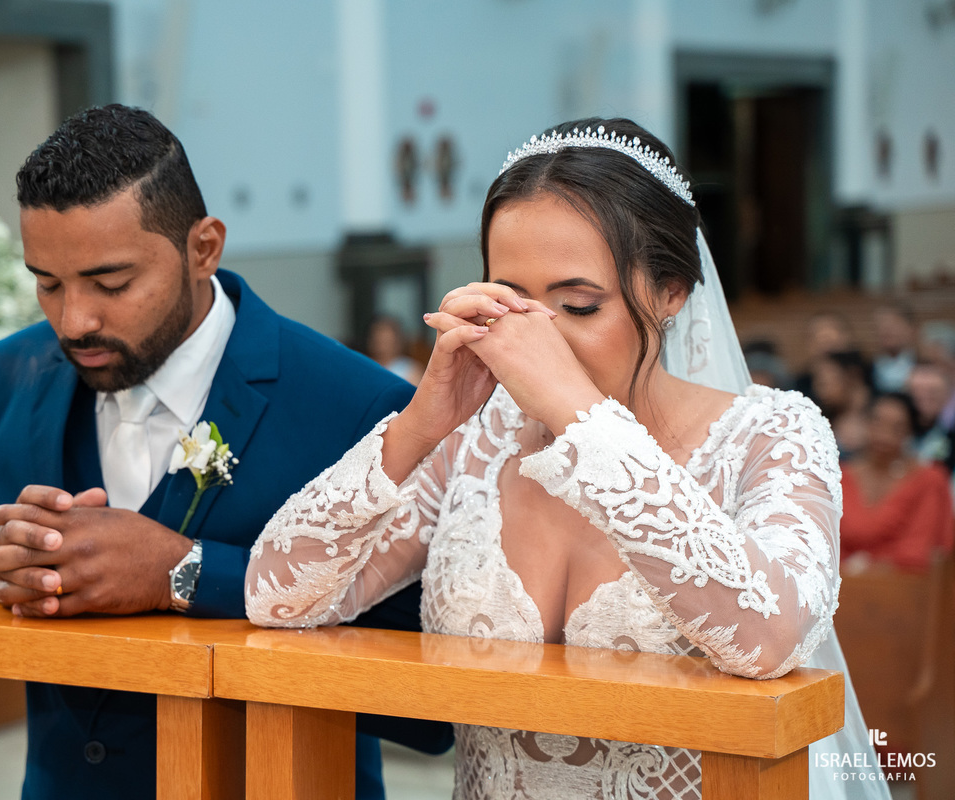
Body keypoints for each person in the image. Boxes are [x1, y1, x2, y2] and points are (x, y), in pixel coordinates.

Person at [246, 118, 887, 800]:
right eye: (510, 302)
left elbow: (769, 637)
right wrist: (418, 426)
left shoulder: (773, 435)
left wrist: (578, 415)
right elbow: (277, 598)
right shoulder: (471, 441)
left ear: (671, 293)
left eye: (578, 305)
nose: (535, 341)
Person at [0, 104, 450, 799]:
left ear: (204, 247)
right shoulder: (7, 376)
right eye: (46, 283)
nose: (74, 321)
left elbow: (425, 696)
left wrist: (186, 574)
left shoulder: (354, 404)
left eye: (111, 284)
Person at [840, 392, 955, 572]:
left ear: (910, 432)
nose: (884, 435)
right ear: (865, 423)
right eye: (877, 423)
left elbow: (921, 550)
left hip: (905, 587)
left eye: (897, 428)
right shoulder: (839, 476)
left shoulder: (929, 480)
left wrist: (868, 567)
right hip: (841, 585)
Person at [365, 314, 425, 385]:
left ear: (398, 342)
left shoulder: (412, 371)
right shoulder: (365, 367)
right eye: (379, 340)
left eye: (386, 341)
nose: (382, 346)